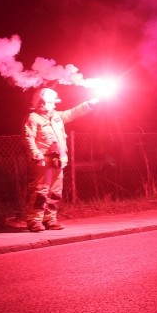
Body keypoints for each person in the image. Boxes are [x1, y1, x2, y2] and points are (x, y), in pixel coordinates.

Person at [21, 86, 102, 232]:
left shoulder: (57, 116)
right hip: (43, 161)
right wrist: (36, 155)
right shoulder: (33, 118)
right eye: (51, 102)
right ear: (41, 103)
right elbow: (28, 138)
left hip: (58, 160)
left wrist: (90, 103)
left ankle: (50, 219)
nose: (54, 105)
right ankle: (34, 221)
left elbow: (73, 112)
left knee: (55, 192)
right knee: (40, 191)